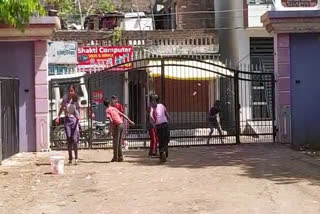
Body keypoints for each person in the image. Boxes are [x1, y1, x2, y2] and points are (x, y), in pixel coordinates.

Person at [55, 85, 81, 165]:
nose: (70, 92)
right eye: (69, 91)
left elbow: (78, 109)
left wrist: (78, 116)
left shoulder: (76, 100)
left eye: (72, 91)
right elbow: (61, 108)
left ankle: (76, 157)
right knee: (69, 139)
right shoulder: (65, 100)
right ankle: (70, 158)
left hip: (74, 121)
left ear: (74, 92)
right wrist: (58, 116)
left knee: (75, 140)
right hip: (67, 121)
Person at [104, 98, 135, 162]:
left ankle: (115, 157)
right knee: (119, 142)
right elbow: (122, 115)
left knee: (115, 142)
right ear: (109, 103)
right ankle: (120, 157)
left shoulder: (107, 110)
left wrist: (110, 131)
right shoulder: (114, 108)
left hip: (117, 125)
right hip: (121, 124)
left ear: (105, 105)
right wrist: (130, 121)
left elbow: (111, 120)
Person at [150, 94, 170, 163]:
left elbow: (151, 116)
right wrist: (168, 119)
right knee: (166, 139)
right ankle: (165, 153)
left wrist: (155, 121)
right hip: (165, 123)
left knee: (160, 139)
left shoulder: (153, 107)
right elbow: (167, 114)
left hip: (158, 125)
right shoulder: (162, 105)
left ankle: (162, 154)